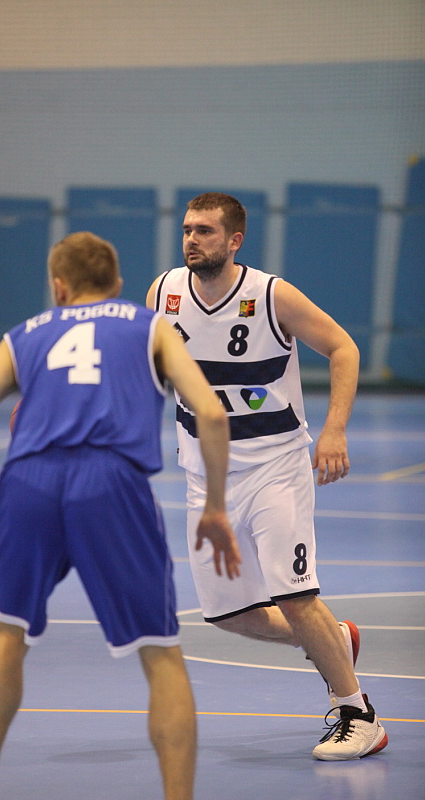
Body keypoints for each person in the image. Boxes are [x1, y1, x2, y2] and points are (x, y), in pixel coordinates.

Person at [0, 231, 241, 800]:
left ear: (59, 287)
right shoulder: (150, 325)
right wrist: (216, 507)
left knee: (8, 630)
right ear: (117, 283)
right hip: (110, 482)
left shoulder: (24, 334)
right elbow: (211, 412)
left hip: (27, 482)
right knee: (161, 652)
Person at [147, 192, 388, 762]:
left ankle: (358, 714)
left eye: (205, 231)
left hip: (274, 468)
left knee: (295, 595)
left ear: (234, 241)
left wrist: (334, 430)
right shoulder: (164, 291)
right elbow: (147, 364)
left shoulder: (271, 295)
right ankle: (336, 639)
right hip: (205, 475)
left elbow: (343, 348)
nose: (191, 240)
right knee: (230, 614)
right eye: (187, 229)